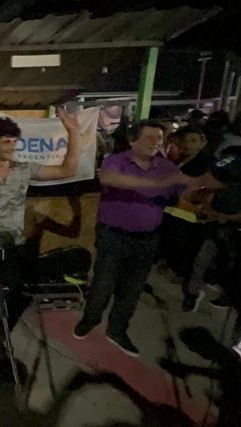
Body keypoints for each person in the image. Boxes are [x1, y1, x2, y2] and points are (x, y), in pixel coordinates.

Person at [0, 111, 80, 366]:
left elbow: (68, 170)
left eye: (15, 141)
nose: (12, 146)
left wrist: (73, 131)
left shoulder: (24, 169)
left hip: (13, 246)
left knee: (11, 293)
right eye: (6, 141)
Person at [74, 120, 191, 357]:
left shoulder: (167, 167)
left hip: (147, 239)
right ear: (132, 140)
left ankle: (117, 330)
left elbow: (180, 195)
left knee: (132, 289)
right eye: (149, 138)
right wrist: (159, 185)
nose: (155, 143)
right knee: (103, 285)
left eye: (159, 138)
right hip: (113, 236)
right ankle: (90, 319)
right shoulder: (115, 162)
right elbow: (112, 180)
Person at [156, 126, 215, 311]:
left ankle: (183, 275)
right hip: (173, 208)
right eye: (186, 141)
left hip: (190, 213)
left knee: (185, 244)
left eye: (193, 141)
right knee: (171, 237)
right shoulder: (178, 158)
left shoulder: (207, 164)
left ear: (203, 142)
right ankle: (170, 263)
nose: (189, 145)